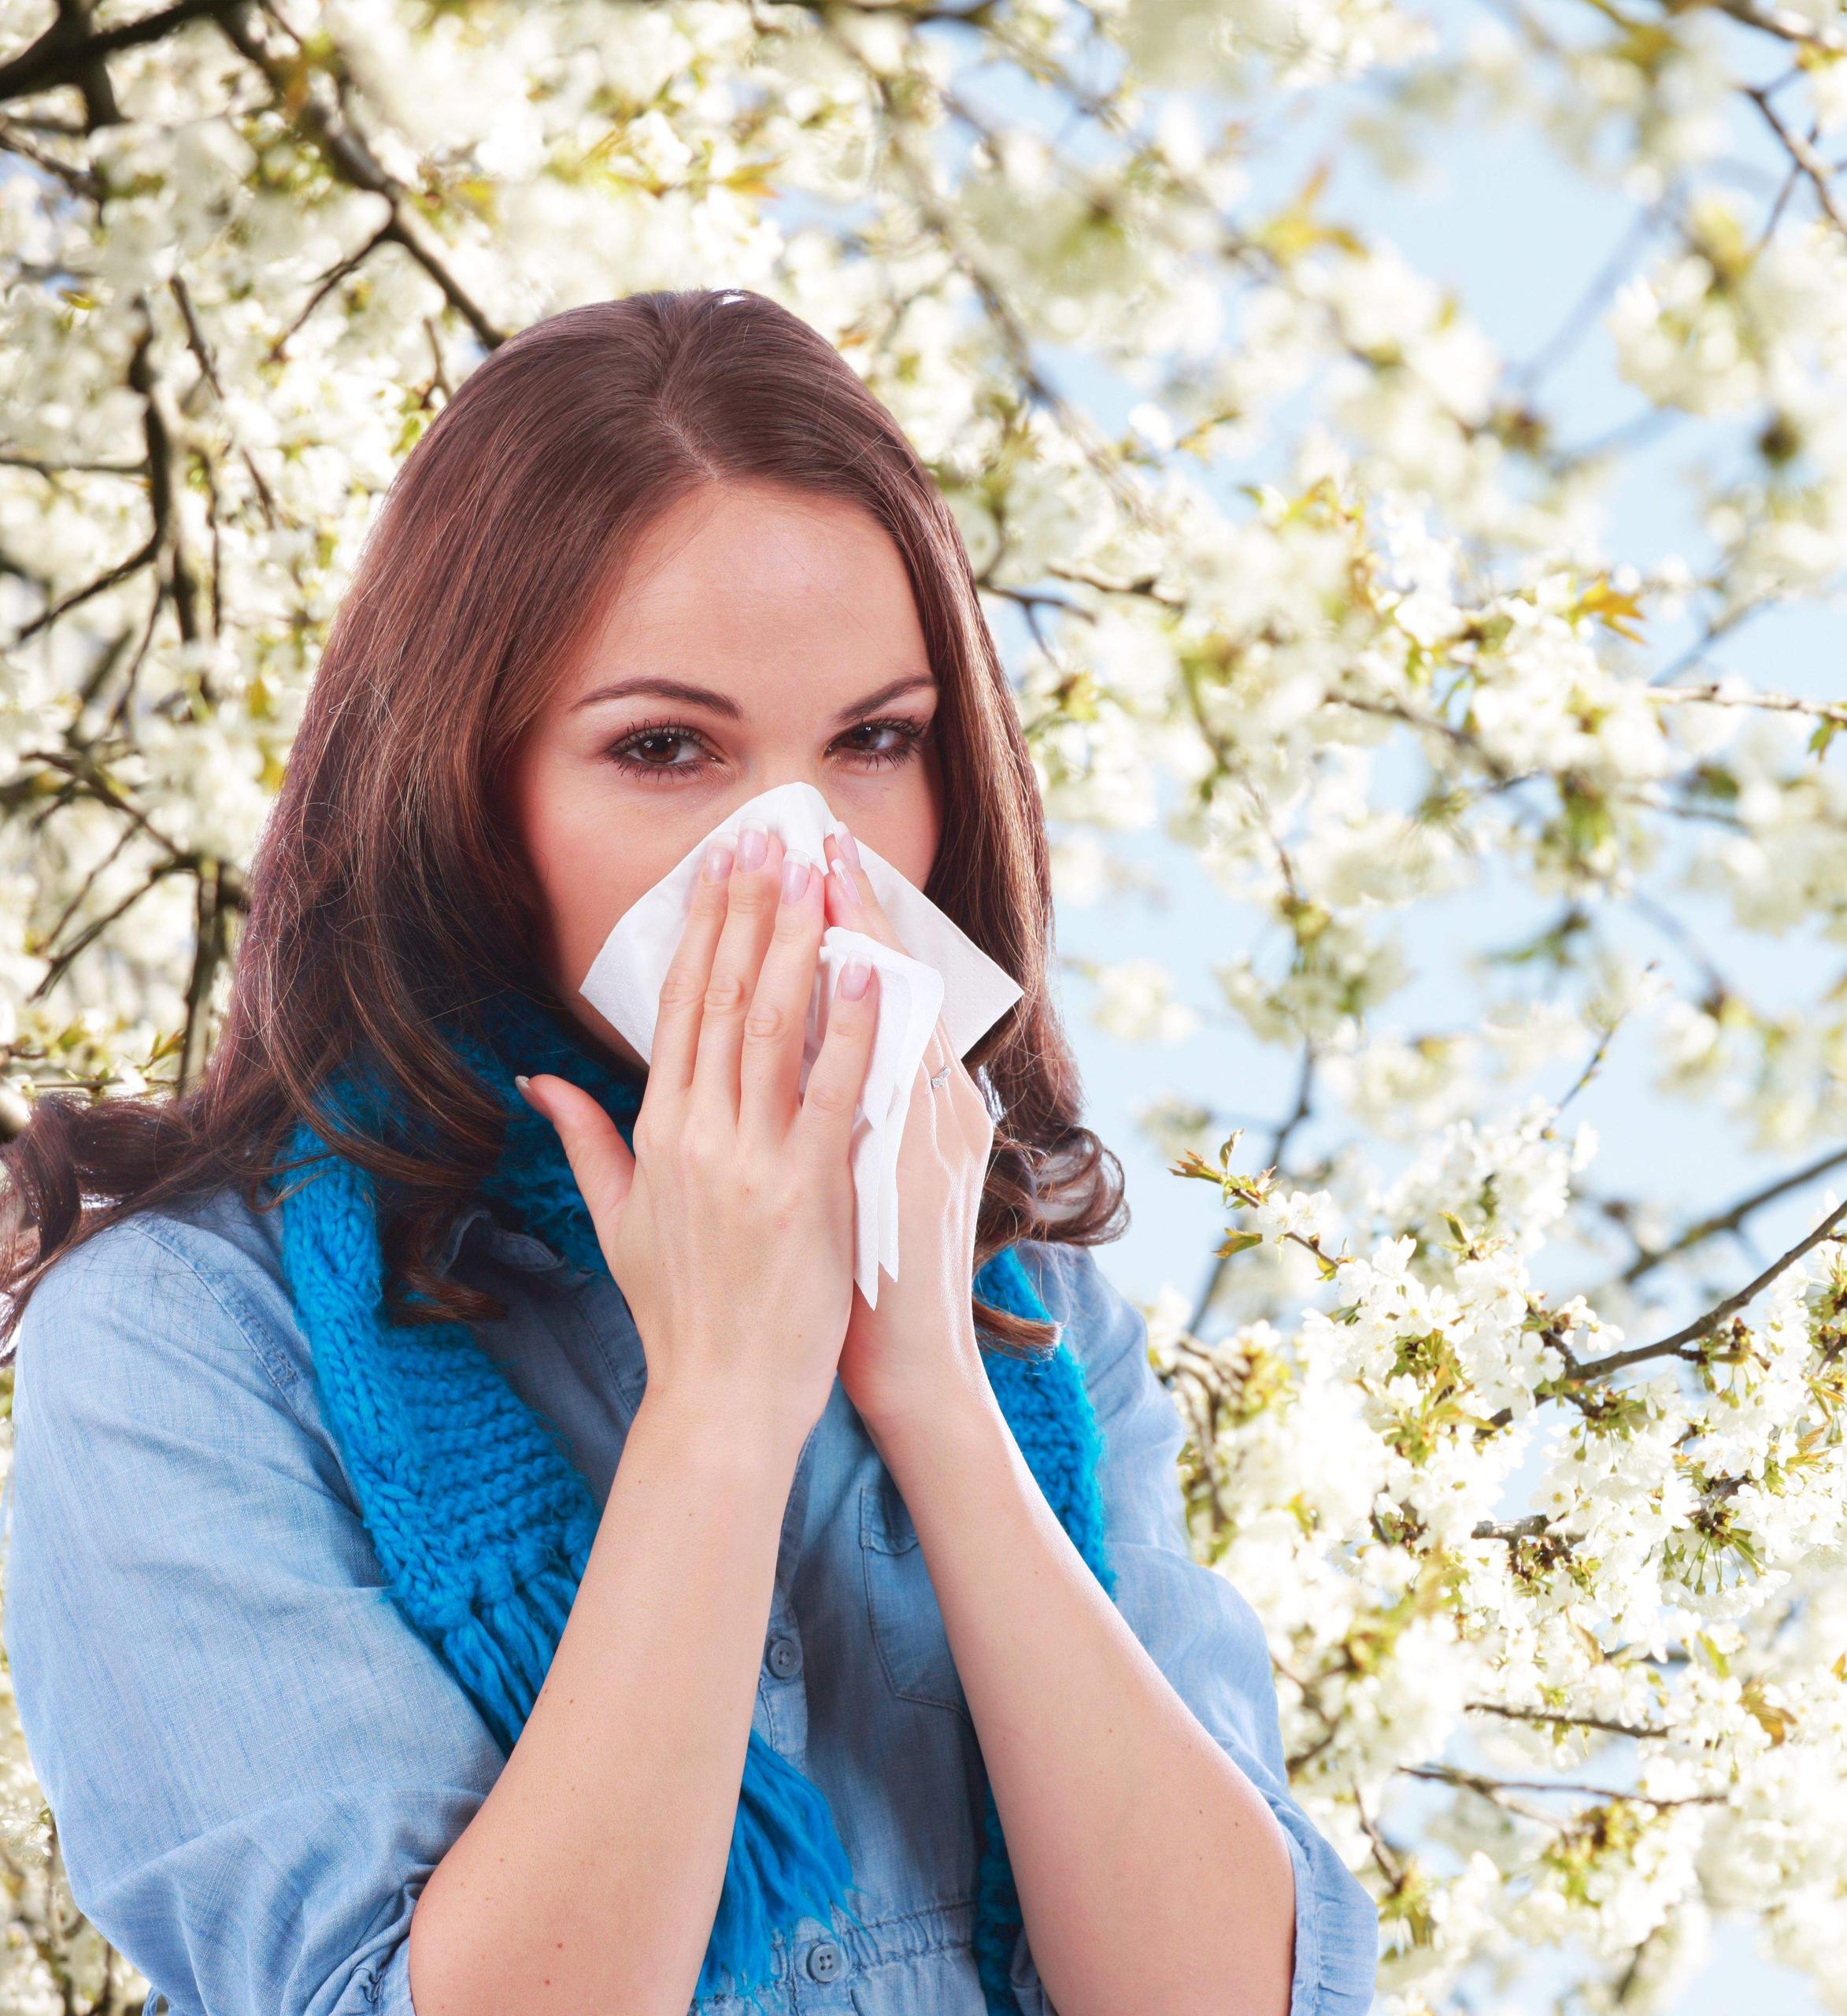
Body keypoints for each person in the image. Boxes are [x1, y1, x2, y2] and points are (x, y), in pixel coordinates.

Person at [0, 288, 1379, 2016]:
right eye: (666, 748)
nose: (793, 857)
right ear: (465, 793)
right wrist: (725, 1395)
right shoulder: (186, 1333)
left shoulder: (1022, 1289)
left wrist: (935, 1389)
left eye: (875, 741)